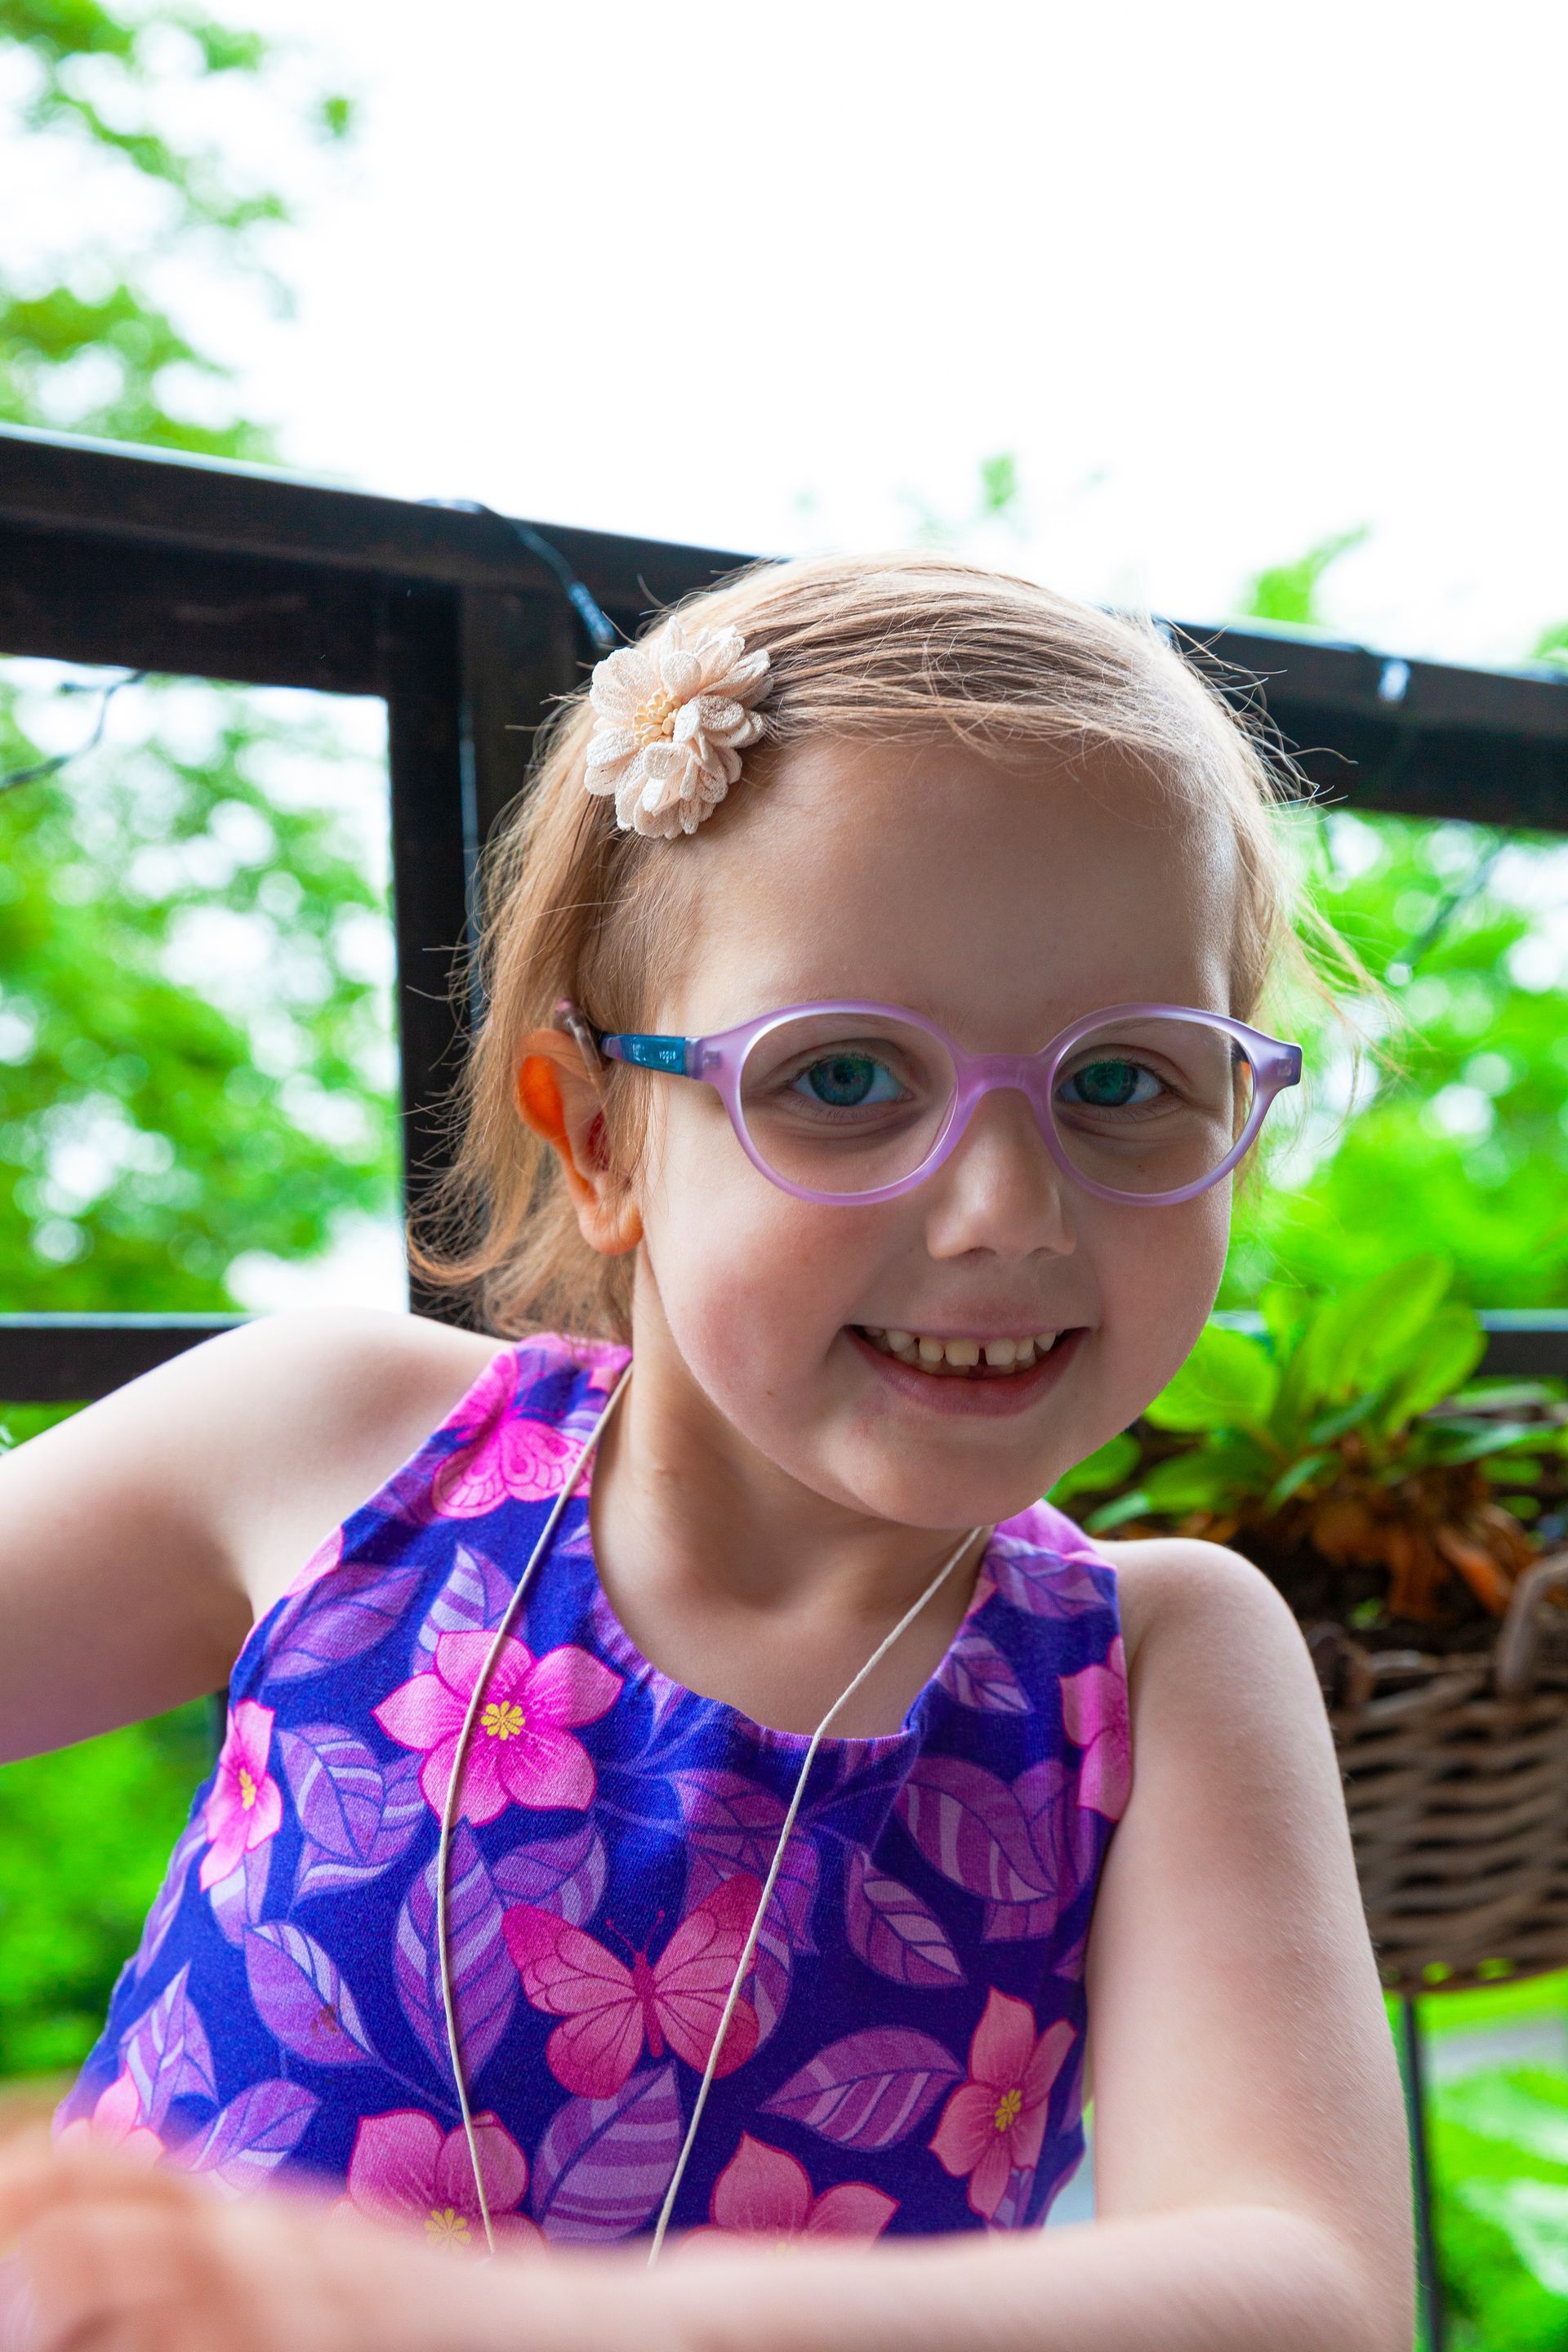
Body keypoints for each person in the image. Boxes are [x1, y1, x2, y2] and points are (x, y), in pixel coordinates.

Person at [0, 554, 1412, 2352]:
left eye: (1124, 1083)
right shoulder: (343, 1450)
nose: (1004, 1210)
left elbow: (1313, 2292)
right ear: (600, 1136)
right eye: (844, 1080)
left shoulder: (1147, 1669)